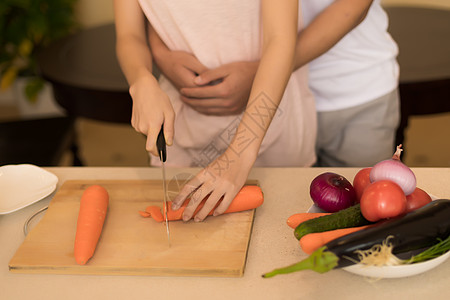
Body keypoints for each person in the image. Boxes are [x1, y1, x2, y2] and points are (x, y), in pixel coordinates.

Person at [114, 0, 317, 222]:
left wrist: (240, 152)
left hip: (271, 127)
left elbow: (280, 39)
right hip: (181, 124)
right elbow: (130, 36)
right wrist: (141, 79)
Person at [149, 0, 400, 167]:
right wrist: (160, 52)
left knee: (360, 221)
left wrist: (259, 73)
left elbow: (354, 6)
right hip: (261, 97)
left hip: (351, 86)